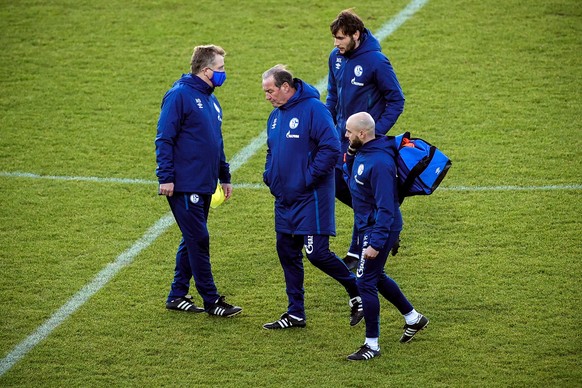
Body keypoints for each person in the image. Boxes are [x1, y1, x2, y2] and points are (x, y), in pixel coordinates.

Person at [261, 64, 364, 330]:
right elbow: (271, 150)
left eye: (270, 90)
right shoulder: (275, 116)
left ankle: (356, 290)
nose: (267, 96)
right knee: (286, 252)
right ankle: (295, 313)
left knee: (317, 254)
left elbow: (331, 149)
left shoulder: (314, 110)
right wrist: (269, 176)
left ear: (286, 87)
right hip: (284, 198)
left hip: (311, 198)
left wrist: (306, 179)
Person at [155, 44, 242, 318]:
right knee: (199, 238)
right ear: (206, 71)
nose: (223, 74)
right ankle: (212, 301)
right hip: (184, 184)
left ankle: (177, 294)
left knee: (192, 238)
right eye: (220, 69)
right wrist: (166, 177)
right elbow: (164, 138)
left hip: (204, 183)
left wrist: (224, 176)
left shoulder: (211, 99)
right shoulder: (179, 95)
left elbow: (216, 142)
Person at [343, 112, 428, 361]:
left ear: (362, 133)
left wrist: (377, 242)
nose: (345, 135)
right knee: (375, 277)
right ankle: (413, 318)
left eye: (349, 131)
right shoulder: (363, 153)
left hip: (378, 228)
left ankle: (372, 345)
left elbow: (386, 207)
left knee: (365, 283)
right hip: (368, 226)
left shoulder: (379, 163)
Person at [326, 9, 406, 270]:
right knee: (340, 185)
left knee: (360, 189)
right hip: (341, 138)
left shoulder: (376, 62)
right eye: (335, 38)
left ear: (356, 35)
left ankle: (364, 243)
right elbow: (332, 96)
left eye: (340, 38)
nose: (336, 43)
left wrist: (374, 133)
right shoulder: (335, 58)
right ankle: (386, 224)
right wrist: (327, 129)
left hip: (366, 141)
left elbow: (396, 100)